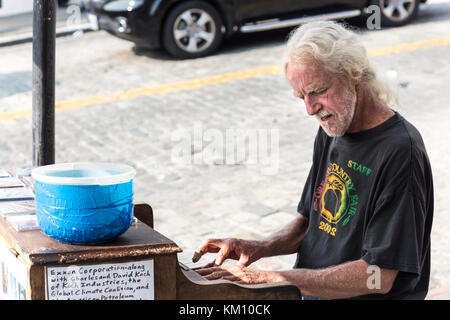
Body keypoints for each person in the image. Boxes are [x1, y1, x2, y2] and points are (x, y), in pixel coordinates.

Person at [194, 20, 434, 300]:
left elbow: (378, 276)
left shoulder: (401, 152)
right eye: (302, 96)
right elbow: (310, 223)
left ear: (353, 73)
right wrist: (259, 246)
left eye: (318, 90)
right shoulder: (333, 126)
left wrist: (273, 278)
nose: (310, 109)